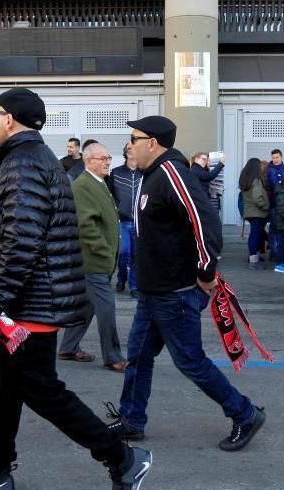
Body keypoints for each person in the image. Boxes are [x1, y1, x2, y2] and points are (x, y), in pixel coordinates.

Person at [0, 88, 151, 490]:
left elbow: (20, 245)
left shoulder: (23, 166)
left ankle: (122, 458)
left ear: (9, 120)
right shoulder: (30, 160)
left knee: (41, 391)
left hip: (30, 305)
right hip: (29, 302)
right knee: (8, 390)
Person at [107, 115, 265, 452]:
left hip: (174, 293)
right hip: (153, 293)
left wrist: (206, 273)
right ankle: (132, 419)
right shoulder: (152, 176)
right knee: (138, 356)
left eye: (134, 138)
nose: (129, 144)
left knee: (190, 361)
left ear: (152, 143)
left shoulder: (172, 173)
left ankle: (245, 413)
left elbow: (205, 221)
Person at [59, 143, 128, 372]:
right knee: (106, 307)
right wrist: (104, 250)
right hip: (93, 261)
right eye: (104, 158)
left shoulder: (98, 182)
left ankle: (68, 347)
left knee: (87, 305)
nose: (109, 161)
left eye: (109, 157)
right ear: (89, 160)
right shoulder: (83, 185)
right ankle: (113, 356)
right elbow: (85, 225)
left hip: (97, 260)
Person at [108, 142, 142, 296]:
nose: (130, 150)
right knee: (123, 252)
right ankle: (121, 278)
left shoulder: (145, 173)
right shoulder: (115, 172)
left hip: (140, 222)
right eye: (128, 148)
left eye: (133, 148)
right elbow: (109, 195)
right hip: (122, 221)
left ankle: (134, 286)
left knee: (136, 254)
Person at [239, 158, 269, 270]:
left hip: (250, 212)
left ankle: (253, 257)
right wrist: (265, 206)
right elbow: (257, 198)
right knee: (255, 236)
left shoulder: (245, 180)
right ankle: (253, 262)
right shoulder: (256, 180)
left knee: (254, 235)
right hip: (257, 212)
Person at [266, 149, 284, 262]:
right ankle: (274, 253)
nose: (275, 160)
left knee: (282, 231)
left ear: (281, 157)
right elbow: (274, 184)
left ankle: (279, 254)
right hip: (274, 204)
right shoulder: (270, 170)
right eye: (273, 158)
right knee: (274, 229)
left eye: (277, 157)